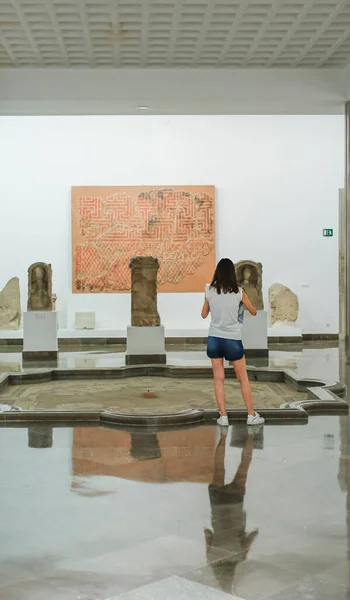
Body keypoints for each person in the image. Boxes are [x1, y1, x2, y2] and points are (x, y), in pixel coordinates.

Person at [201, 257, 264, 426]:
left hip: (214, 338)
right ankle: (251, 415)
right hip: (233, 339)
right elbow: (253, 311)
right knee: (242, 378)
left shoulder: (209, 289)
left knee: (218, 379)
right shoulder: (238, 292)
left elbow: (204, 314)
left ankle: (223, 417)